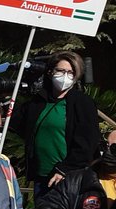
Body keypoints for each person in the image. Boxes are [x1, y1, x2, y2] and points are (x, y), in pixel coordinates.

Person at [13, 50, 100, 201]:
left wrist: (65, 169)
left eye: (71, 72)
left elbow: (87, 142)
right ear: (50, 72)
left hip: (68, 178)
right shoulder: (38, 101)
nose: (65, 76)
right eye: (60, 70)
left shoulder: (82, 103)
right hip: (42, 177)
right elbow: (20, 126)